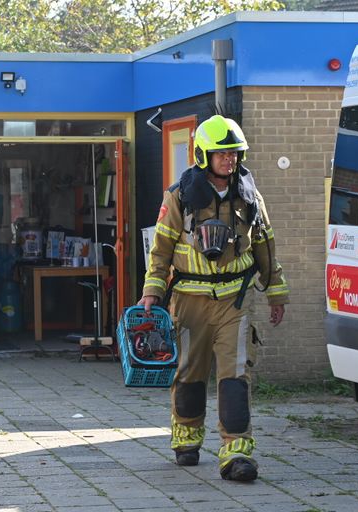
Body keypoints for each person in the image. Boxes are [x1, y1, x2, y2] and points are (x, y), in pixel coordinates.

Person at [139, 115, 289, 482]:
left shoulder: (250, 196)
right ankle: (187, 438)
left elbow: (265, 245)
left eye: (235, 154)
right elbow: (160, 249)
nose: (230, 161)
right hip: (189, 300)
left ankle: (236, 453)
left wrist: (275, 290)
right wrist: (152, 291)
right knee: (190, 373)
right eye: (222, 154)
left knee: (235, 376)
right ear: (203, 154)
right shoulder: (178, 197)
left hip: (235, 302)